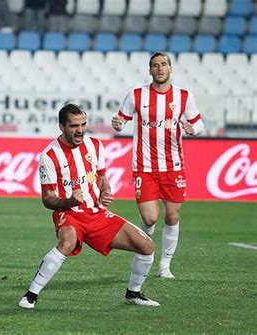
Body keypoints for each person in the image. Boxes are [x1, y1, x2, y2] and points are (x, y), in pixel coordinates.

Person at [18, 103, 160, 309]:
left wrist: (105, 191)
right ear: (61, 127)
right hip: (69, 213)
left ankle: (133, 293)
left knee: (146, 246)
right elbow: (48, 199)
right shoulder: (49, 156)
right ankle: (30, 295)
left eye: (83, 124)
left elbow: (102, 178)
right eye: (74, 126)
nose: (81, 130)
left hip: (97, 214)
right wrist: (70, 202)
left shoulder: (94, 145)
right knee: (67, 243)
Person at [112, 52, 204, 279]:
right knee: (150, 218)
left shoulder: (184, 96)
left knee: (172, 217)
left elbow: (198, 123)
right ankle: (147, 235)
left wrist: (194, 130)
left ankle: (164, 265)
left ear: (170, 69)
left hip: (174, 167)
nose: (160, 68)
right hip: (144, 167)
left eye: (164, 65)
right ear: (150, 70)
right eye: (155, 65)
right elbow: (121, 119)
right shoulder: (136, 95)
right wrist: (117, 124)